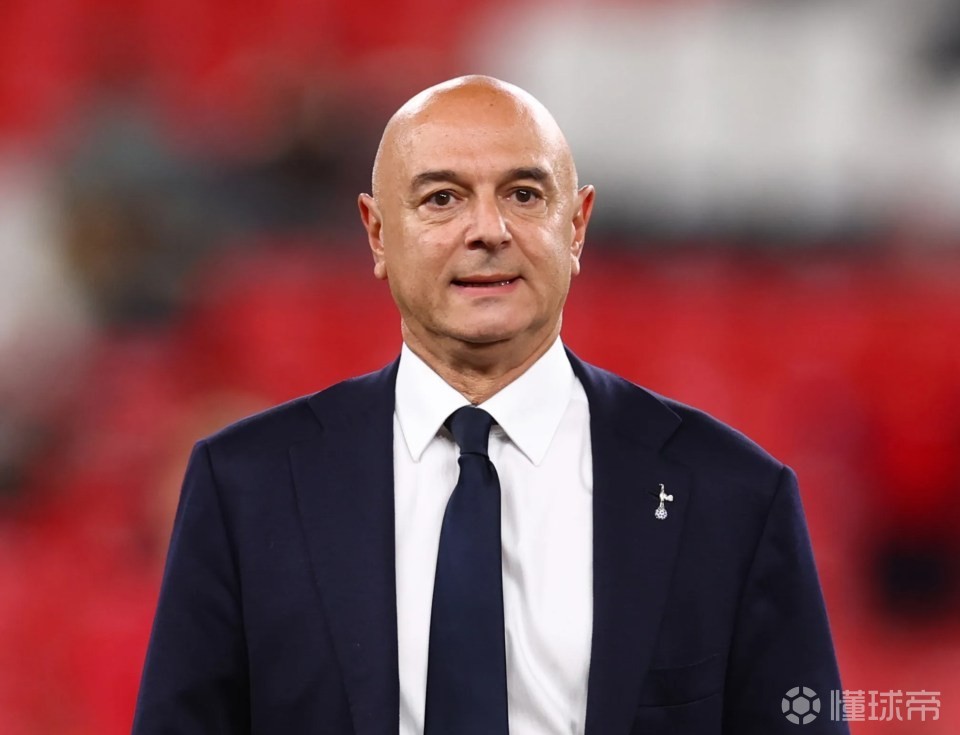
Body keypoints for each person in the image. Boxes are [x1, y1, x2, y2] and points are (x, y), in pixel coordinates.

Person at [132, 75, 848, 734]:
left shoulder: (732, 495)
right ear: (377, 233)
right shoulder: (245, 486)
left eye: (524, 195)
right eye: (441, 199)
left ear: (577, 226)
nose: (487, 230)